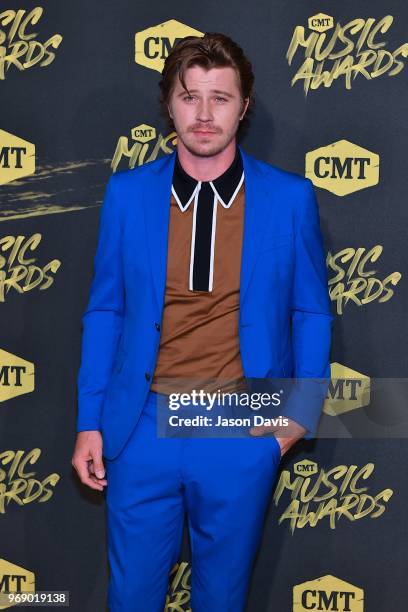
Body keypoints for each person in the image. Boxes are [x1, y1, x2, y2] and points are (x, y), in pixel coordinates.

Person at [71, 32, 333, 612]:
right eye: (191, 97)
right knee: (131, 597)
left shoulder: (290, 198)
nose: (205, 114)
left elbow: (310, 308)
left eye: (221, 97)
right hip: (139, 427)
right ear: (169, 104)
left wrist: (297, 417)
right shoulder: (128, 194)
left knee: (223, 598)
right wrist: (91, 421)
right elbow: (106, 311)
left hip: (242, 425)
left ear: (245, 105)